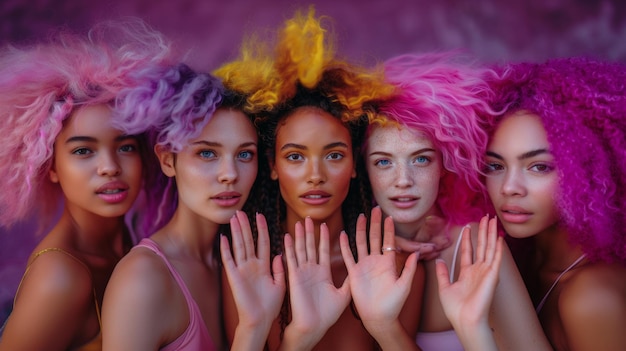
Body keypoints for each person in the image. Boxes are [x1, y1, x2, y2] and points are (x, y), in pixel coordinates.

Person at [215, 8, 424, 350]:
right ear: (272, 165)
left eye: (334, 155)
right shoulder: (248, 271)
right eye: (295, 157)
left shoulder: (395, 267)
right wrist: (299, 337)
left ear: (355, 164)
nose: (315, 176)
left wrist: (384, 326)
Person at [0, 21, 169, 351]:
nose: (109, 167)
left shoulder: (136, 240)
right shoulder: (60, 277)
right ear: (49, 166)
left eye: (125, 146)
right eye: (83, 151)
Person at [366, 53, 551, 350]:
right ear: (362, 168)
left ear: (444, 164)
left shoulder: (476, 246)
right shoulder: (345, 244)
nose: (403, 180)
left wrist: (472, 327)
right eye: (383, 162)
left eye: (421, 159)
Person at [101, 63, 285, 351]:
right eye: (207, 153)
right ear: (166, 160)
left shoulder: (243, 263)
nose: (230, 174)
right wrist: (252, 329)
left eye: (245, 154)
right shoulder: (143, 279)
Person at [483, 57, 626, 350]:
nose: (509, 188)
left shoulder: (591, 297)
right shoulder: (521, 257)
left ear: (589, 172)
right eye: (495, 166)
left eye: (539, 167)